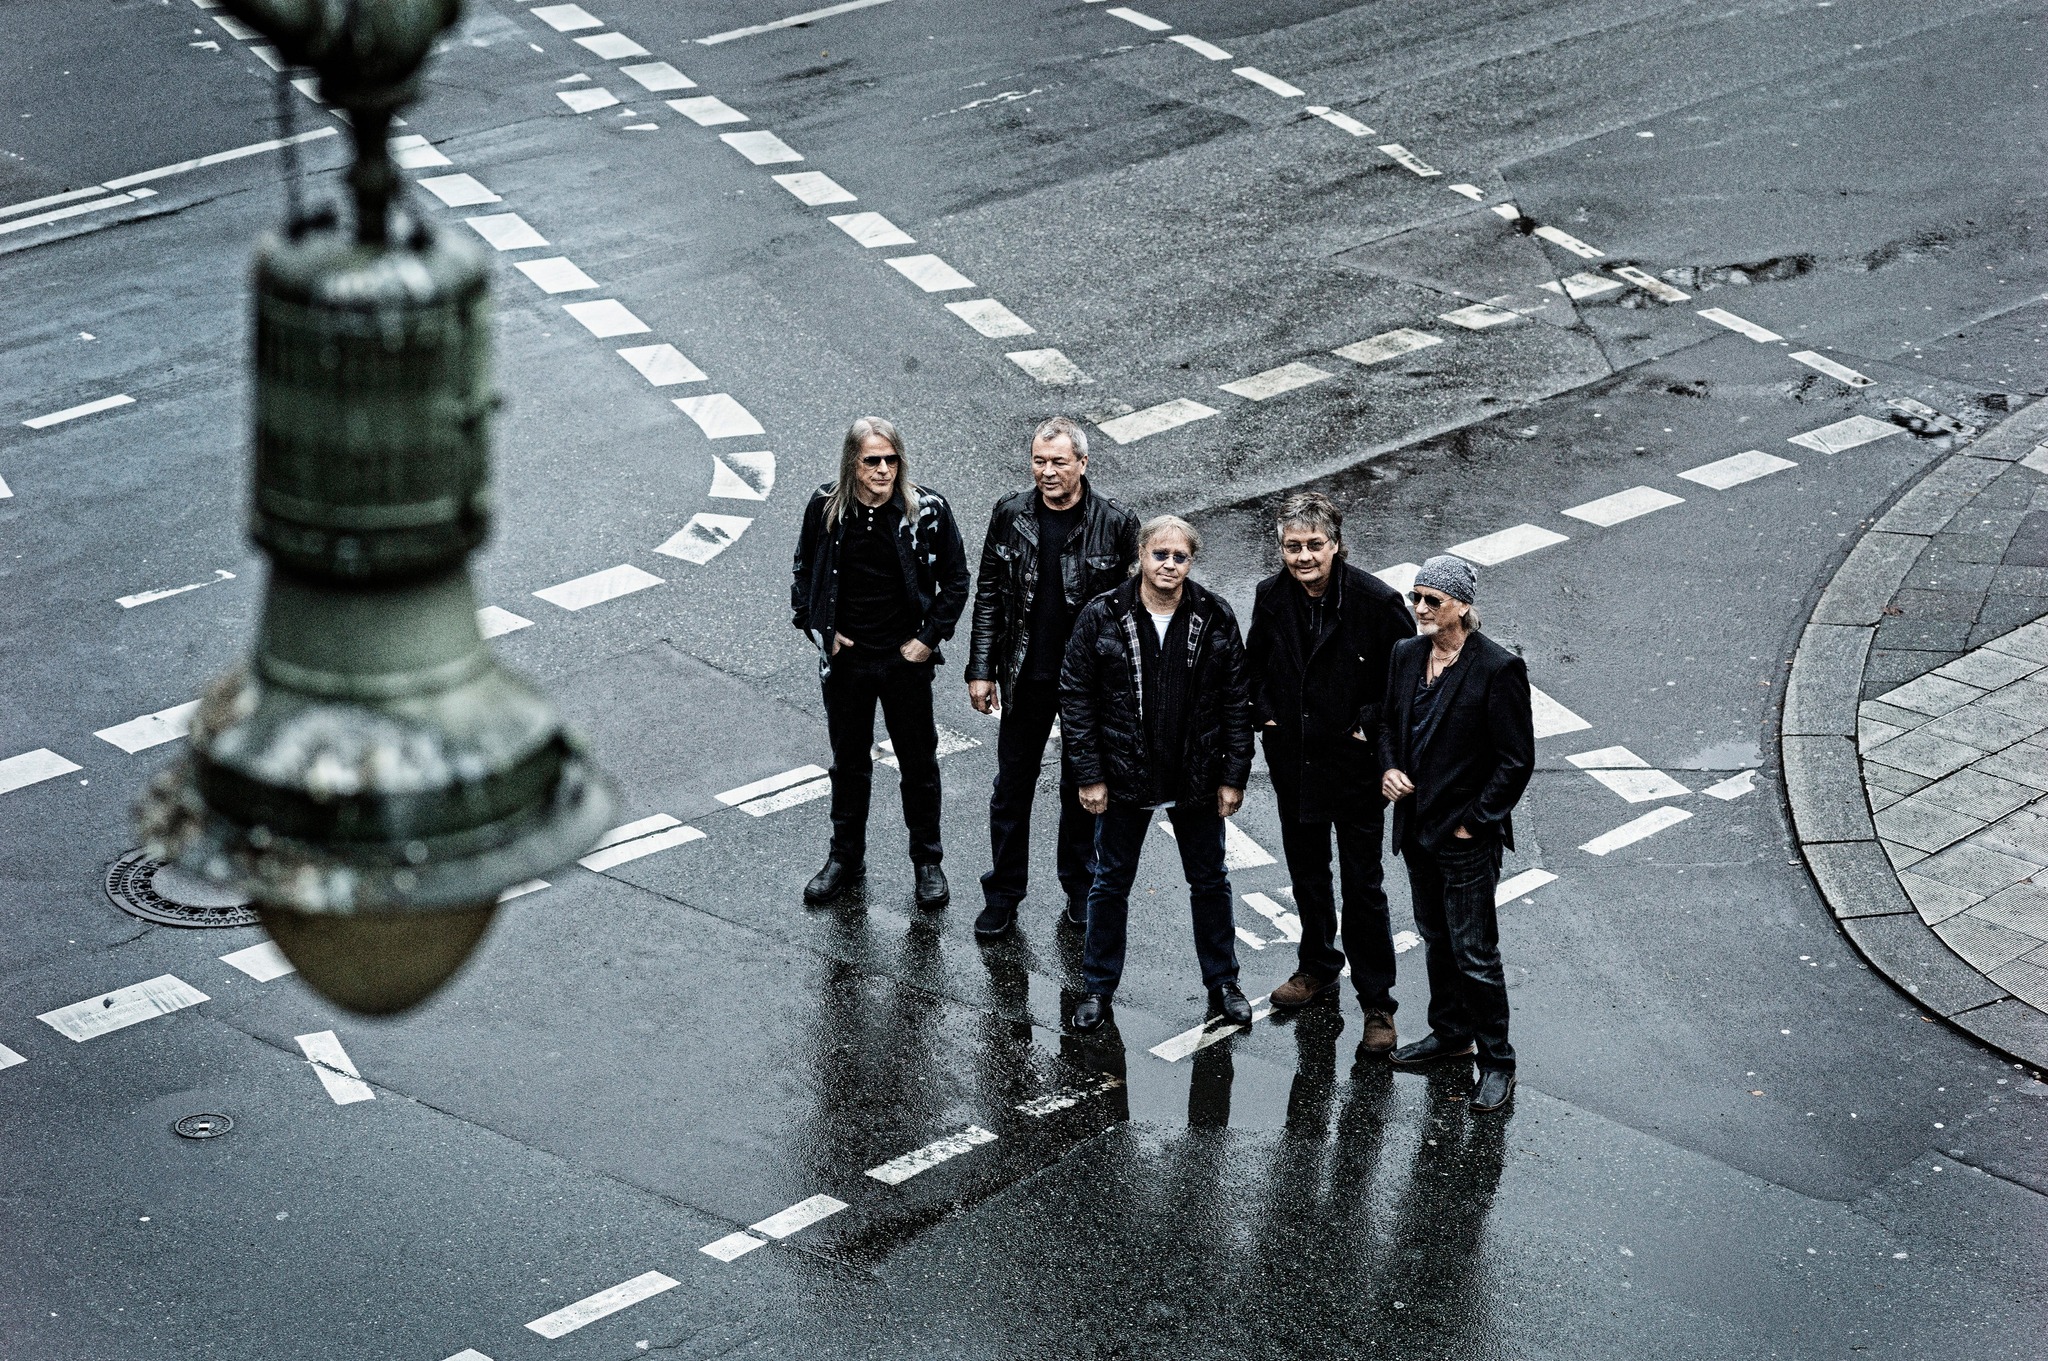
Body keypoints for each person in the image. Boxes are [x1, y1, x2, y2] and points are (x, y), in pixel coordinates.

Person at [1059, 515, 1254, 1033]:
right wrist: (1089, 775)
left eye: (1180, 557)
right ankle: (1097, 989)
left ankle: (1223, 984)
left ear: (1191, 562)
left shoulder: (1213, 615)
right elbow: (1075, 698)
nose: (1169, 565)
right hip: (1123, 779)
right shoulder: (1102, 615)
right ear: (1141, 557)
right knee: (1109, 884)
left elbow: (1237, 700)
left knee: (1210, 880)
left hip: (1195, 780)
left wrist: (1233, 775)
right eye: (1160, 555)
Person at [1243, 492, 1415, 1050]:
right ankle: (1316, 965)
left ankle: (1377, 1003)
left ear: (1336, 546)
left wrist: (1367, 725)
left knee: (1363, 887)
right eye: (1292, 547)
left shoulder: (1377, 602)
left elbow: (1403, 686)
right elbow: (1255, 667)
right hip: (1294, 763)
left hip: (1357, 770)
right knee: (1308, 875)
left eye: (1315, 546)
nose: (1303, 557)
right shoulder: (1271, 597)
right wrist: (1264, 713)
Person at [964, 416, 1140, 941]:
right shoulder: (1010, 514)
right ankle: (1003, 895)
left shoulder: (1116, 522)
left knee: (1081, 790)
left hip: (1088, 685)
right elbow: (989, 593)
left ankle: (1079, 891)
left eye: (1059, 462)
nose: (1047, 472)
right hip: (1025, 677)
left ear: (1083, 464)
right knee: (1011, 791)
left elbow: (1130, 611)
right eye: (1039, 461)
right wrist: (980, 669)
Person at [1376, 555, 1535, 1113]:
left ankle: (1496, 1061)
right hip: (1417, 828)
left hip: (1465, 837)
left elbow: (1515, 761)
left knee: (1475, 952)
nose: (1419, 609)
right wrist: (1388, 767)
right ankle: (1450, 1034)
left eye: (1432, 600)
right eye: (1415, 597)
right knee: (1436, 938)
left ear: (1463, 606)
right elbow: (1389, 725)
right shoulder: (1406, 654)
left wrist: (1476, 822)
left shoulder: (1497, 668)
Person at [790, 417, 969, 909]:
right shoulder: (827, 508)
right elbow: (804, 571)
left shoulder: (925, 510)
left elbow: (957, 579)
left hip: (904, 661)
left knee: (918, 765)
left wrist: (927, 641)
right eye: (873, 461)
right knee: (848, 765)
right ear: (853, 462)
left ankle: (927, 863)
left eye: (892, 460)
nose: (885, 470)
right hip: (848, 662)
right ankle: (845, 859)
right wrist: (819, 630)